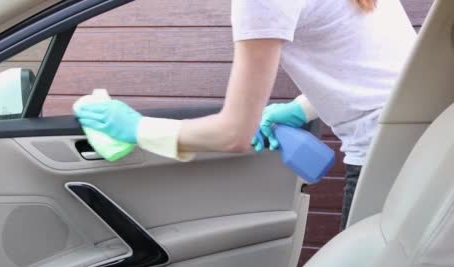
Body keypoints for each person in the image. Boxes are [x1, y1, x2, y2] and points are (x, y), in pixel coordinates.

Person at [74, 0, 417, 231]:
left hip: (387, 161)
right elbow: (378, 64)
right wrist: (301, 109)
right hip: (423, 146)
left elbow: (234, 134)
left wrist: (136, 128)